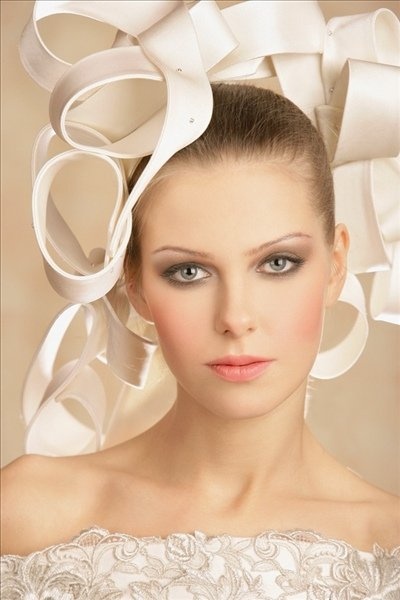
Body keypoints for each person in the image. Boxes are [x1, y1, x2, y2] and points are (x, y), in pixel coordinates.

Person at [1, 82, 399, 597]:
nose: (235, 318)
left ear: (335, 266)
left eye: (278, 263)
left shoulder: (387, 547)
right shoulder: (27, 516)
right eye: (188, 271)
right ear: (134, 283)